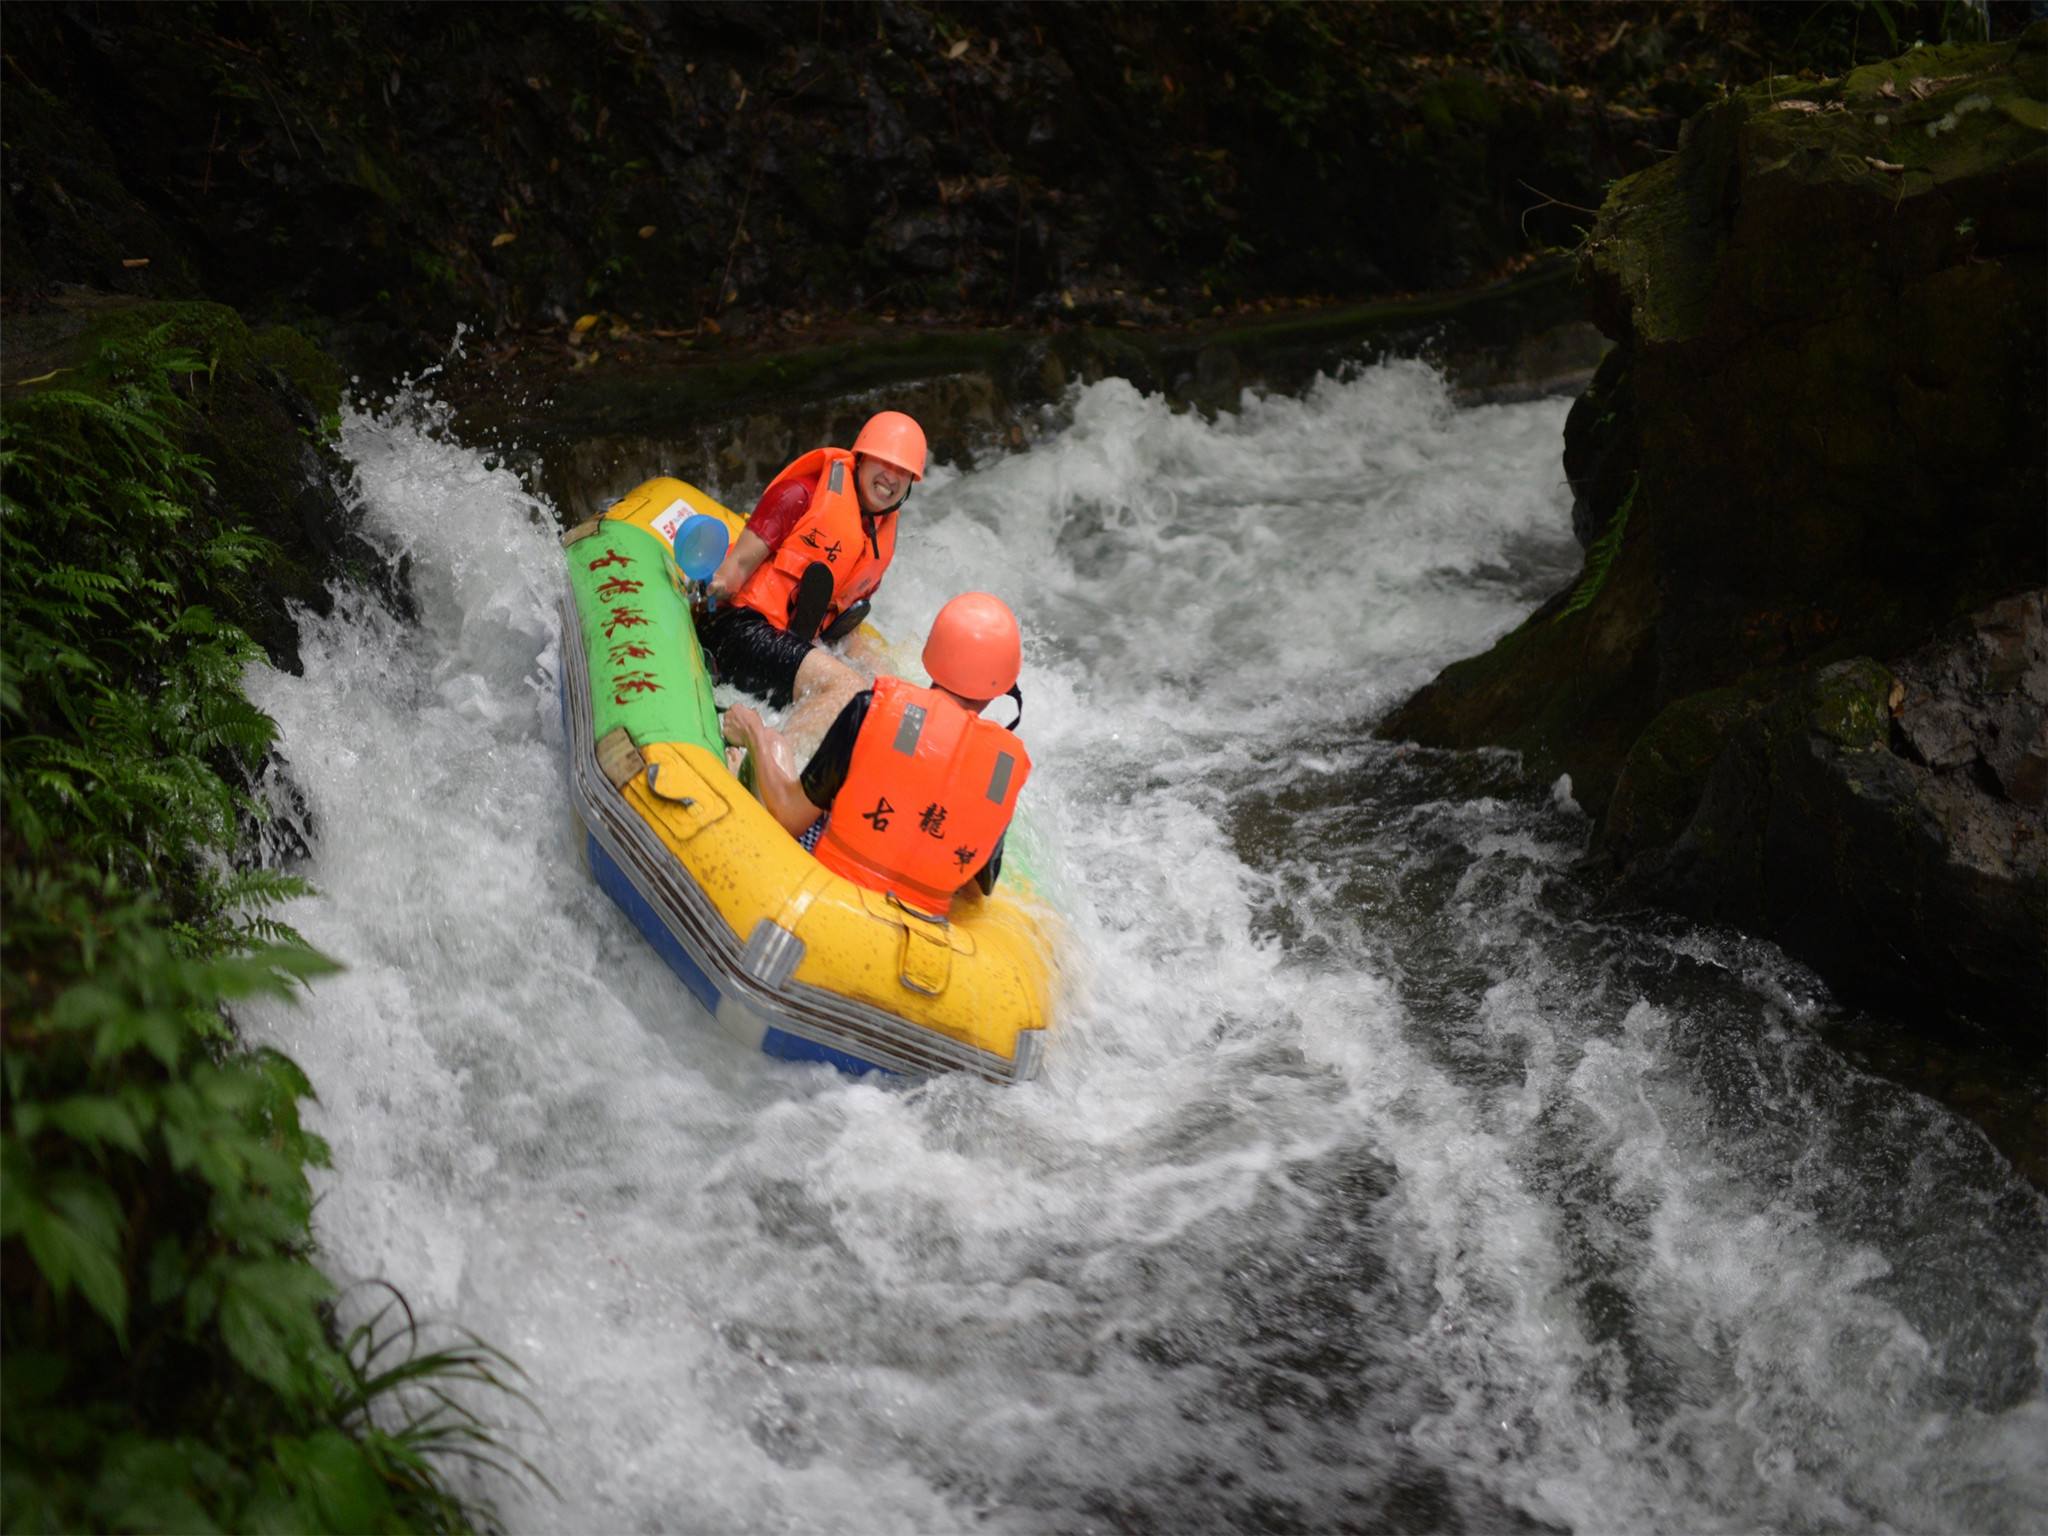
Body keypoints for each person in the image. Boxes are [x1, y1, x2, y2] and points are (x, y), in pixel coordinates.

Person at [720, 592, 1030, 915]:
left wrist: (754, 734)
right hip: (917, 924)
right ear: (1001, 688)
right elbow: (978, 886)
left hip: (828, 891)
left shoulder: (871, 709)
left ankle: (749, 750)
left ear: (932, 655)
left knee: (775, 743)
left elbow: (788, 816)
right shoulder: (1003, 771)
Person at [698, 410, 926, 736]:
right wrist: (704, 590)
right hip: (741, 631)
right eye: (884, 463)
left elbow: (841, 620)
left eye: (903, 472)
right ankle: (770, 771)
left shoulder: (877, 536)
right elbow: (736, 569)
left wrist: (886, 680)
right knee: (846, 687)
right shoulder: (799, 496)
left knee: (889, 689)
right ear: (860, 458)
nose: (891, 477)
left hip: (793, 644)